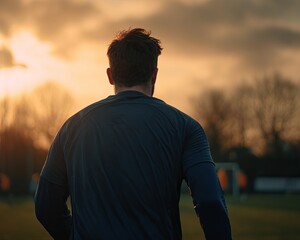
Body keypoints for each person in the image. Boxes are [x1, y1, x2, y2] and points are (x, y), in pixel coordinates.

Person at [34, 28, 232, 240]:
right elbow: (210, 201)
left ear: (110, 75)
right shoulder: (185, 127)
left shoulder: (71, 128)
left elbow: (46, 206)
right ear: (154, 74)